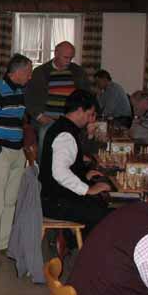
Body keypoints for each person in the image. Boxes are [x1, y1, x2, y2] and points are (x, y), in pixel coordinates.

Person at [0, 54, 33, 264]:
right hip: (0, 152)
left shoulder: (19, 91)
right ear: (17, 72)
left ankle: (2, 243)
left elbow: (19, 122)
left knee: (10, 201)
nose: (30, 77)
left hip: (16, 152)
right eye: (28, 73)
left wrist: (22, 147)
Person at [38, 90, 110, 234]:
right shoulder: (65, 135)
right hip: (56, 202)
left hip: (54, 197)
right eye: (89, 114)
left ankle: (74, 241)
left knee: (99, 203)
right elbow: (60, 172)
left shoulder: (61, 126)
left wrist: (84, 174)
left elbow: (67, 164)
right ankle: (80, 244)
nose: (90, 119)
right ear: (79, 111)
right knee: (104, 213)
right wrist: (87, 190)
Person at [26, 41, 90, 134]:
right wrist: (39, 116)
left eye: (71, 58)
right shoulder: (40, 72)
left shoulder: (78, 72)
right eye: (66, 57)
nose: (68, 61)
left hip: (71, 122)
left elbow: (87, 97)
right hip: (46, 121)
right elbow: (29, 98)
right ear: (56, 53)